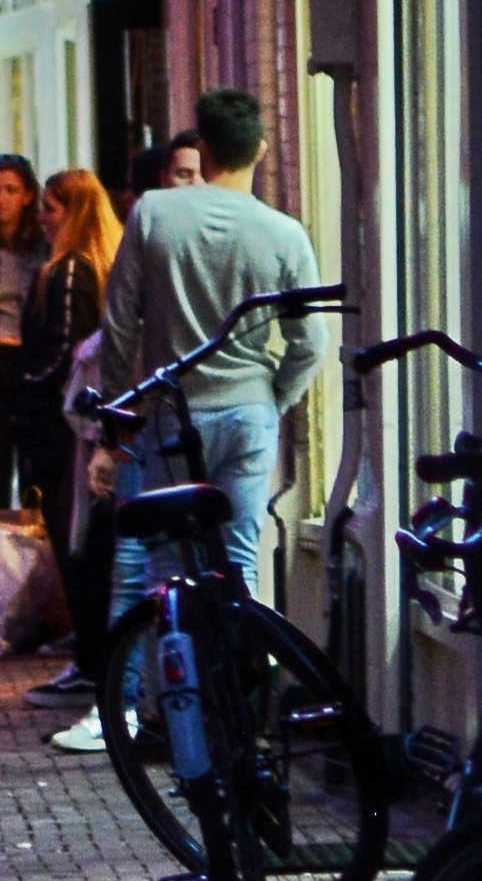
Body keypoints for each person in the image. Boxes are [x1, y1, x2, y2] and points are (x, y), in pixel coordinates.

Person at [109, 87, 332, 592]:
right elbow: (311, 342)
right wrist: (272, 399)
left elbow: (120, 320)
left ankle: (178, 667)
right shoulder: (284, 234)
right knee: (238, 559)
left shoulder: (153, 214)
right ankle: (242, 667)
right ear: (260, 150)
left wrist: (121, 405)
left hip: (171, 414)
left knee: (166, 568)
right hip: (247, 413)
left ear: (202, 149)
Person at [33, 166, 131, 723]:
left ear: (72, 213)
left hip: (74, 423)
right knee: (97, 541)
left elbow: (63, 351)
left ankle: (95, 656)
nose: (42, 218)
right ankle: (98, 655)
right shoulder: (106, 264)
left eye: (50, 207)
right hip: (100, 420)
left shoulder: (69, 270)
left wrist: (24, 394)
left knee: (83, 543)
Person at [0, 154, 83, 537]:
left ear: (28, 196)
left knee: (36, 480)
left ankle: (38, 575)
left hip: (32, 368)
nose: (1, 199)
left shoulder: (45, 254)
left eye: (11, 190)